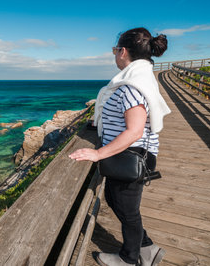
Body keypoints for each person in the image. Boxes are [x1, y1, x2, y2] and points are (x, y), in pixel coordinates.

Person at [69, 27, 171, 266]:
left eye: (115, 50)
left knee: (127, 209)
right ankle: (147, 249)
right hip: (129, 153)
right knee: (118, 202)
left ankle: (128, 258)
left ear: (123, 51)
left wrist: (97, 153)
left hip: (129, 154)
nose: (114, 55)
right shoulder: (140, 79)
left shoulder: (131, 86)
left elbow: (134, 130)